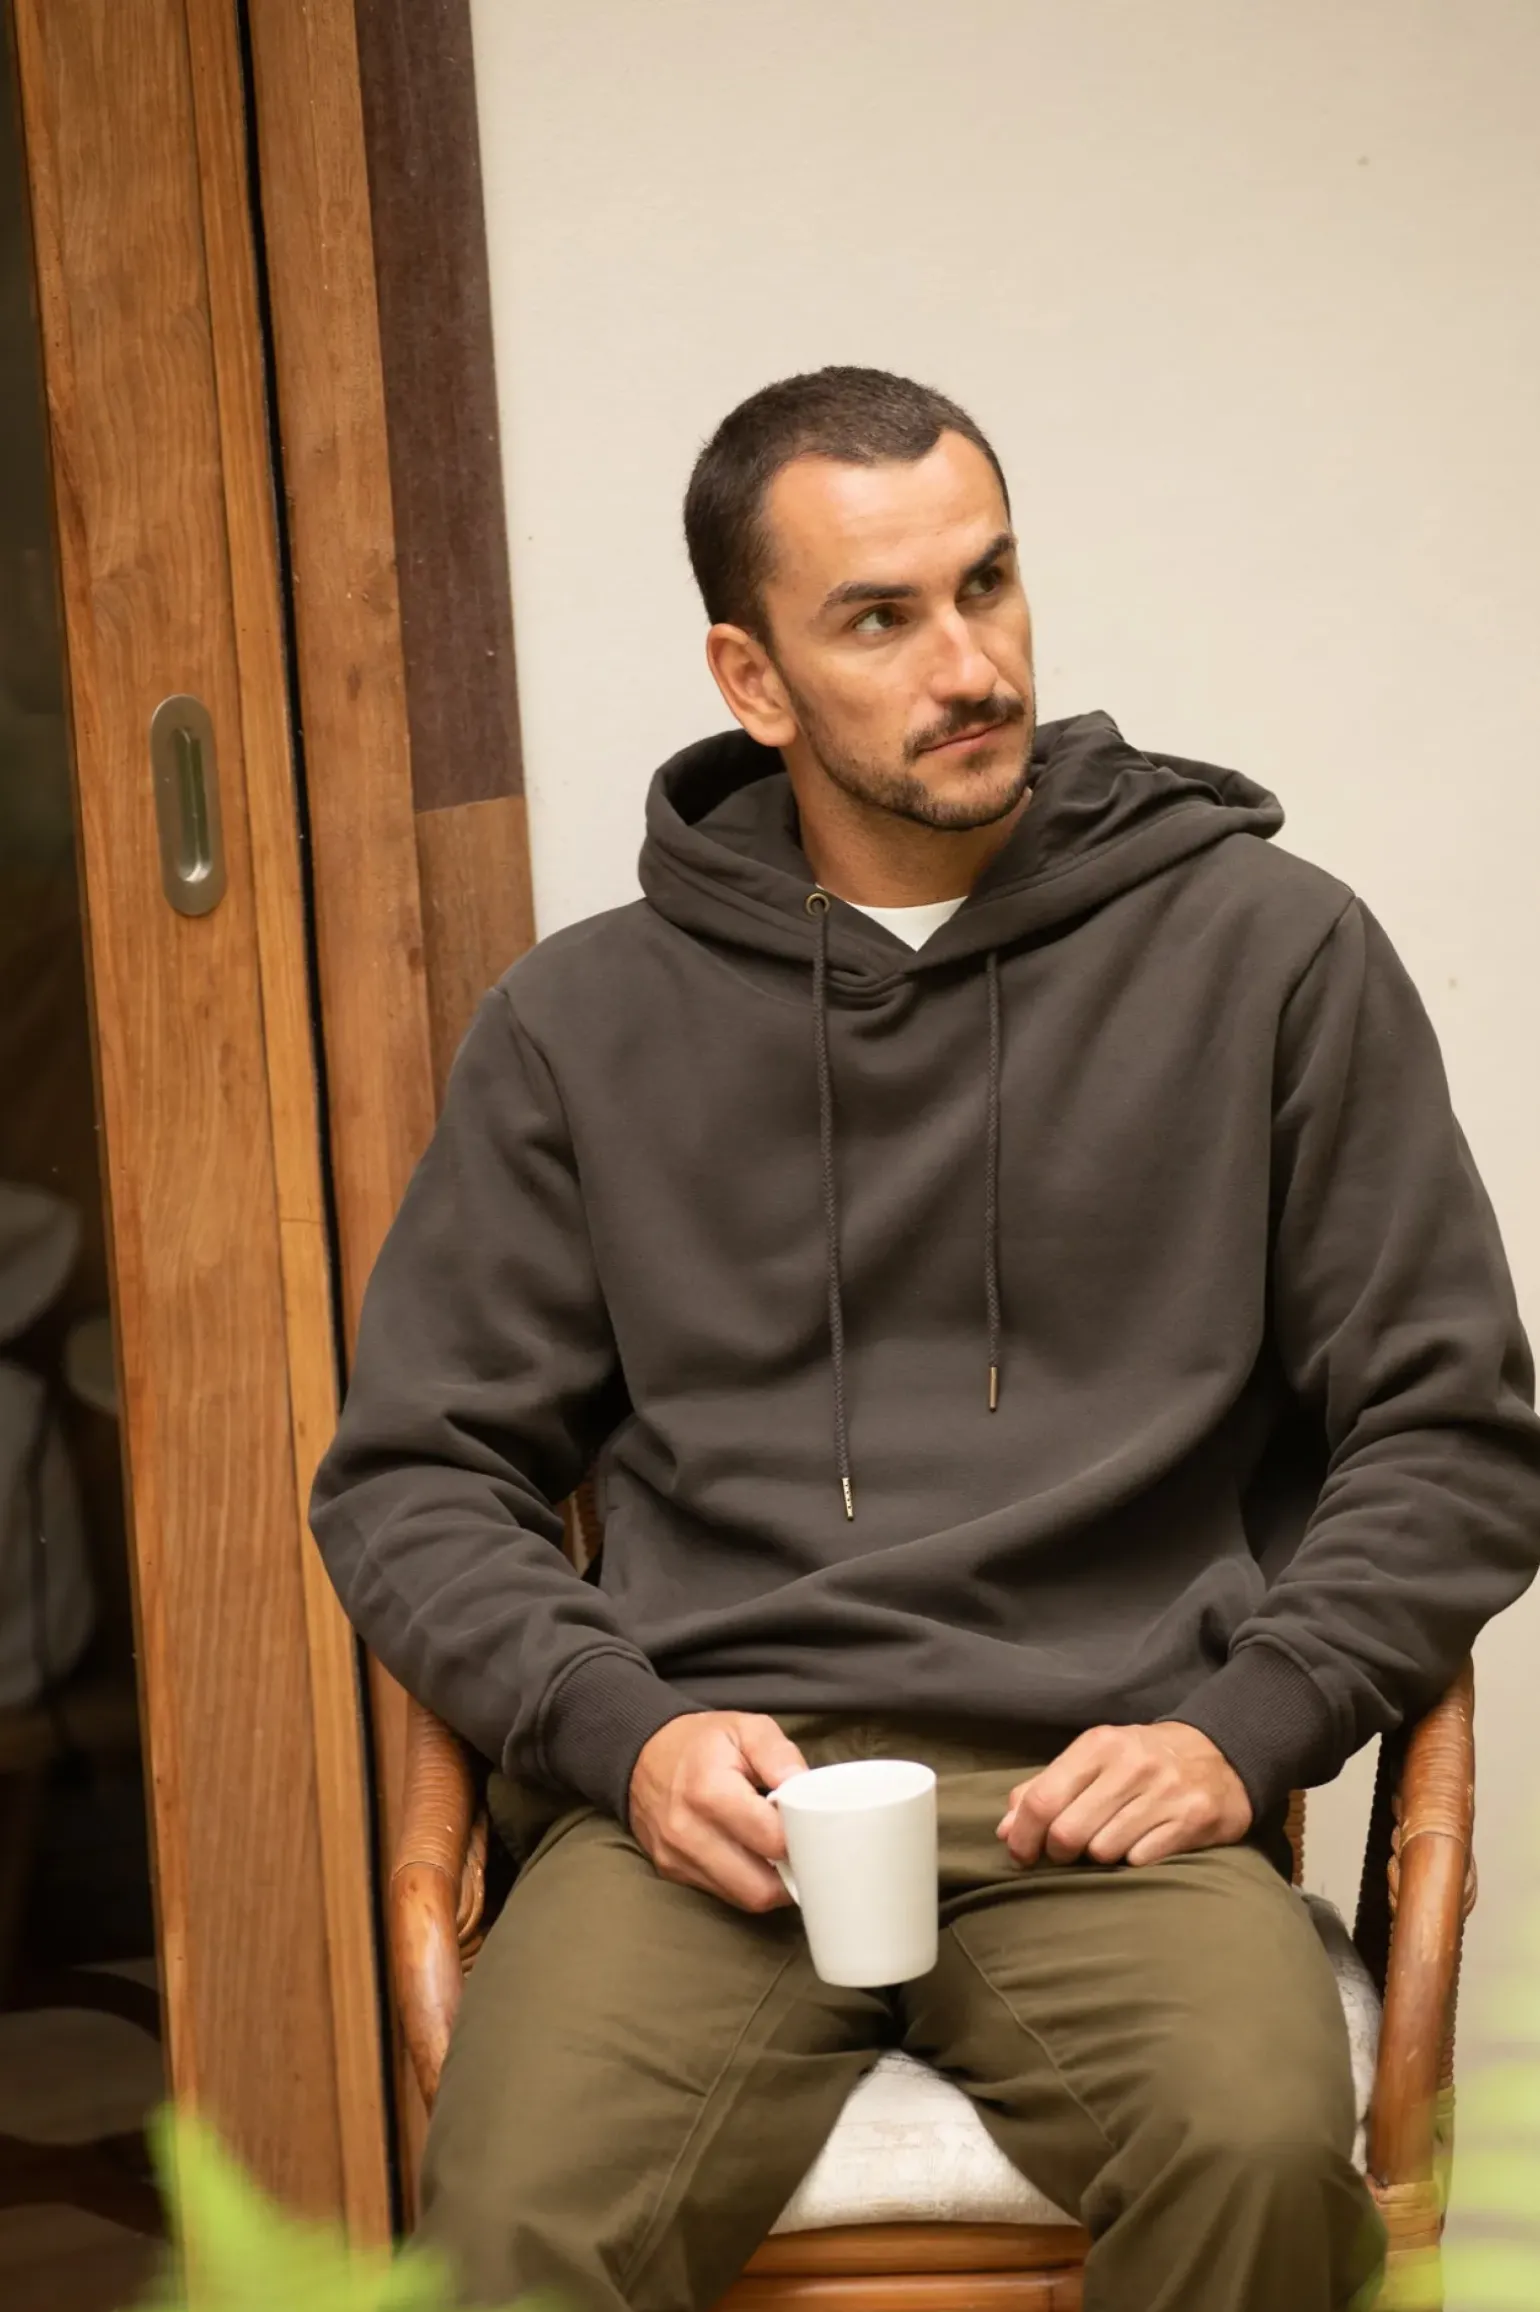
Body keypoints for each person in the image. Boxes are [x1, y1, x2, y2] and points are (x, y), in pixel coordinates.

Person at [310, 366, 1540, 2312]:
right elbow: (414, 1475)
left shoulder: (1271, 955)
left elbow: (1449, 1427)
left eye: (987, 584)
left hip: (1106, 1791)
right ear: (753, 678)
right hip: (707, 1809)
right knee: (511, 2223)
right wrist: (625, 1735)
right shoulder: (575, 1024)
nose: (970, 665)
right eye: (878, 618)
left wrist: (1244, 1726)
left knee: (1250, 2159)